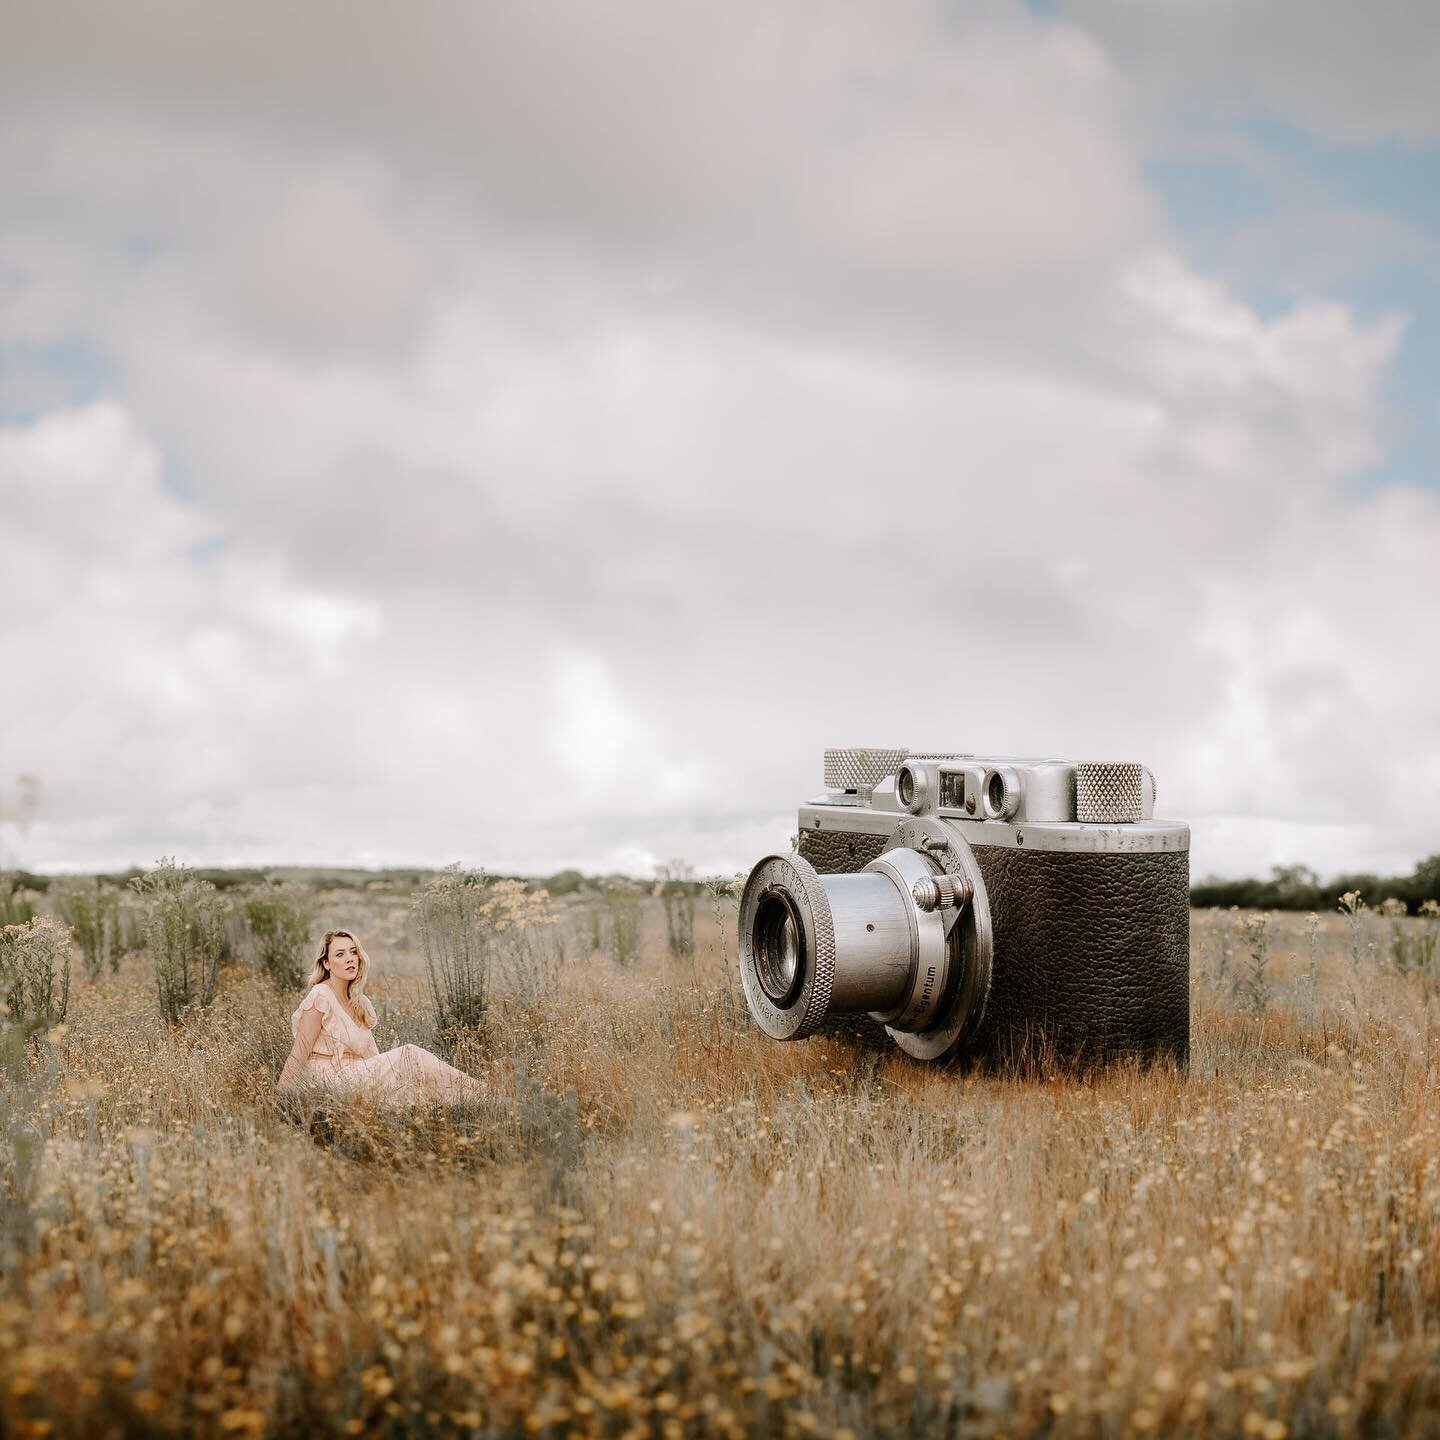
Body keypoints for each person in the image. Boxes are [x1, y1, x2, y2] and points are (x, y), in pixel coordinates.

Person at [277, 929, 485, 1105]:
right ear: (327, 964)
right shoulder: (320, 995)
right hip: (327, 1082)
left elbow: (372, 1057)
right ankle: (484, 1091)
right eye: (340, 954)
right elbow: (299, 1051)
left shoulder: (360, 1002)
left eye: (353, 952)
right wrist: (280, 1099)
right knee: (410, 1054)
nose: (350, 958)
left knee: (414, 1082)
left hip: (358, 1077)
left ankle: (478, 1099)